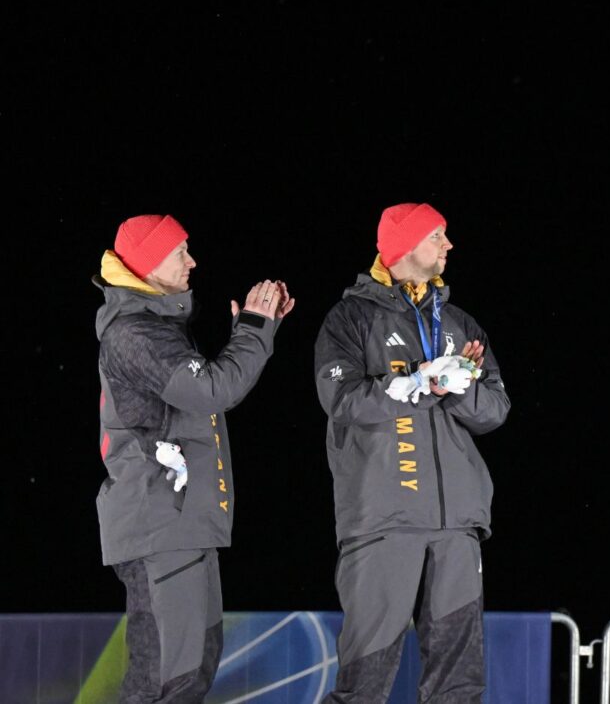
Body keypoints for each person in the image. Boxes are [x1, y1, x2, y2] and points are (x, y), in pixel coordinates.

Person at [316, 202, 510, 702]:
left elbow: (495, 409)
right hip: (384, 517)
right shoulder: (349, 319)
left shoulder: (459, 324)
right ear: (405, 246)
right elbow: (342, 400)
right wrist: (416, 381)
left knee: (459, 682)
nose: (449, 245)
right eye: (437, 237)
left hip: (457, 522)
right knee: (365, 682)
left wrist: (458, 384)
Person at [95, 214, 293, 701]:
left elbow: (204, 384)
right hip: (159, 523)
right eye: (179, 250)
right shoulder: (134, 332)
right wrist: (252, 331)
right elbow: (212, 389)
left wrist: (253, 333)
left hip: (183, 522)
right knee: (165, 676)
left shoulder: (160, 327)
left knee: (191, 672)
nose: (192, 260)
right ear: (146, 263)